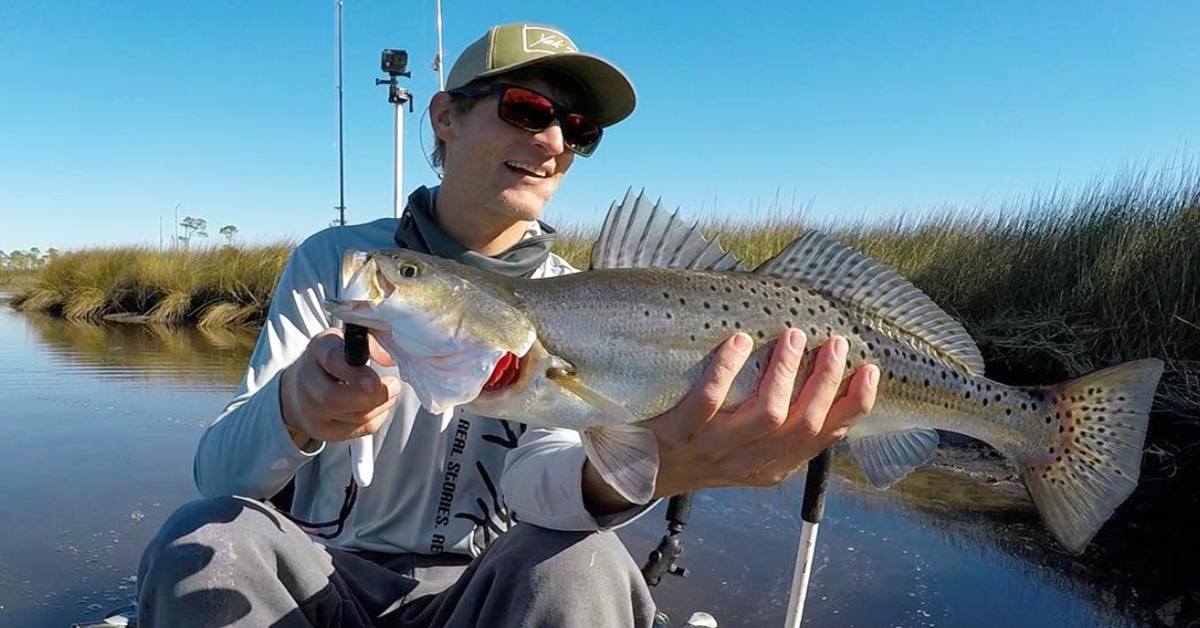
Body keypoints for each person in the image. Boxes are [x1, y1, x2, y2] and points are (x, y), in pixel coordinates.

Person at [135, 22, 880, 628]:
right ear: (445, 116)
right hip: (322, 575)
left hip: (482, 592)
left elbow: (542, 485)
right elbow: (221, 476)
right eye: (527, 108)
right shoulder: (341, 262)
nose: (553, 140)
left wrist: (650, 469)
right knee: (208, 537)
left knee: (586, 561)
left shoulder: (572, 303)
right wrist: (294, 407)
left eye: (577, 128)